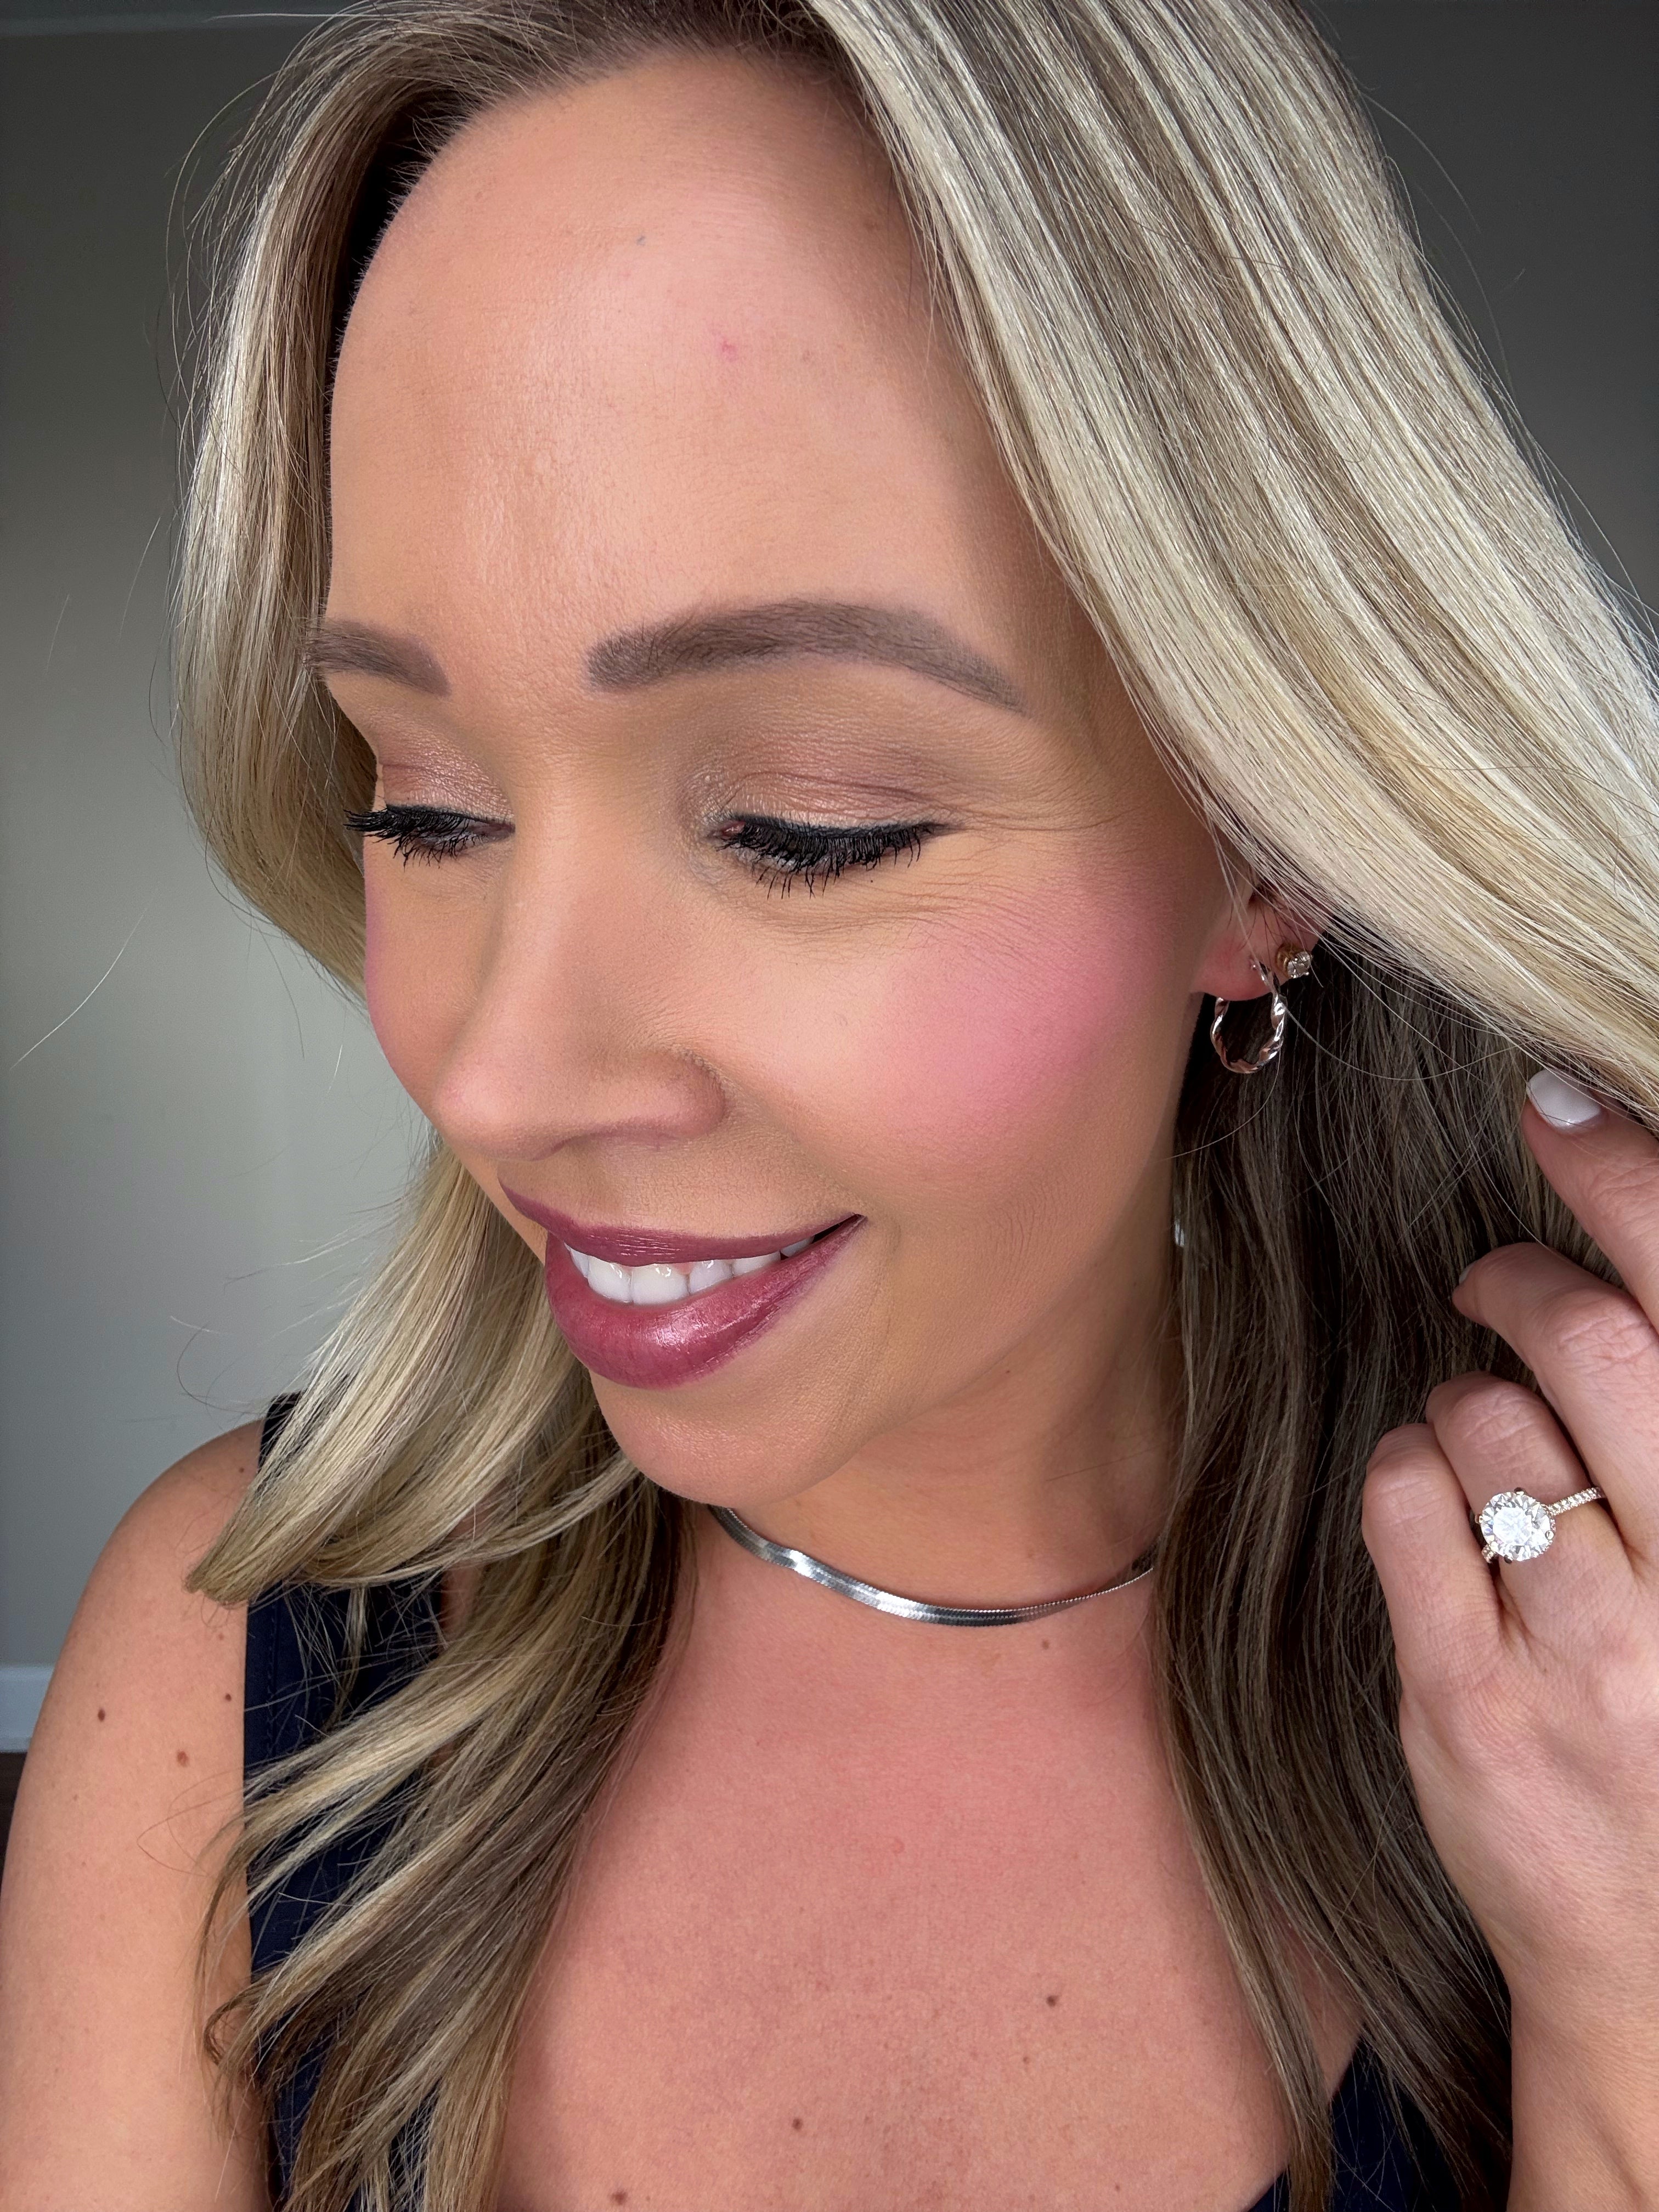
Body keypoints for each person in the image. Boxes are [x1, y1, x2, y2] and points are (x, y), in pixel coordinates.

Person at [2, 1, 1657, 2205]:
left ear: (1269, 849)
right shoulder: (226, 1675)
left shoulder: (1613, 1708)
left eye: (803, 825)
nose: (494, 1074)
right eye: (425, 803)